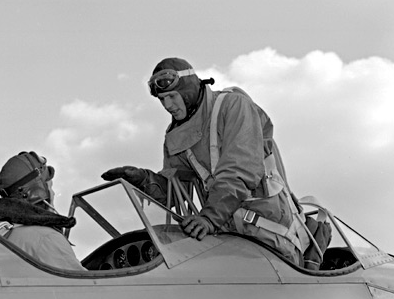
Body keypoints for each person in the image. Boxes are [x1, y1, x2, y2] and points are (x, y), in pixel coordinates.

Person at [102, 57, 322, 267]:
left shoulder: (233, 105)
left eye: (172, 96)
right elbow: (176, 191)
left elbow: (240, 170)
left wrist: (209, 218)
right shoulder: (176, 135)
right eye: (162, 100)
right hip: (226, 237)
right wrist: (143, 179)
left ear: (187, 89)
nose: (167, 105)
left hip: (270, 237)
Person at [0, 151, 86, 271]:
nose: (54, 193)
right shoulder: (46, 238)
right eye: (50, 187)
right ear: (38, 193)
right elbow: (88, 287)